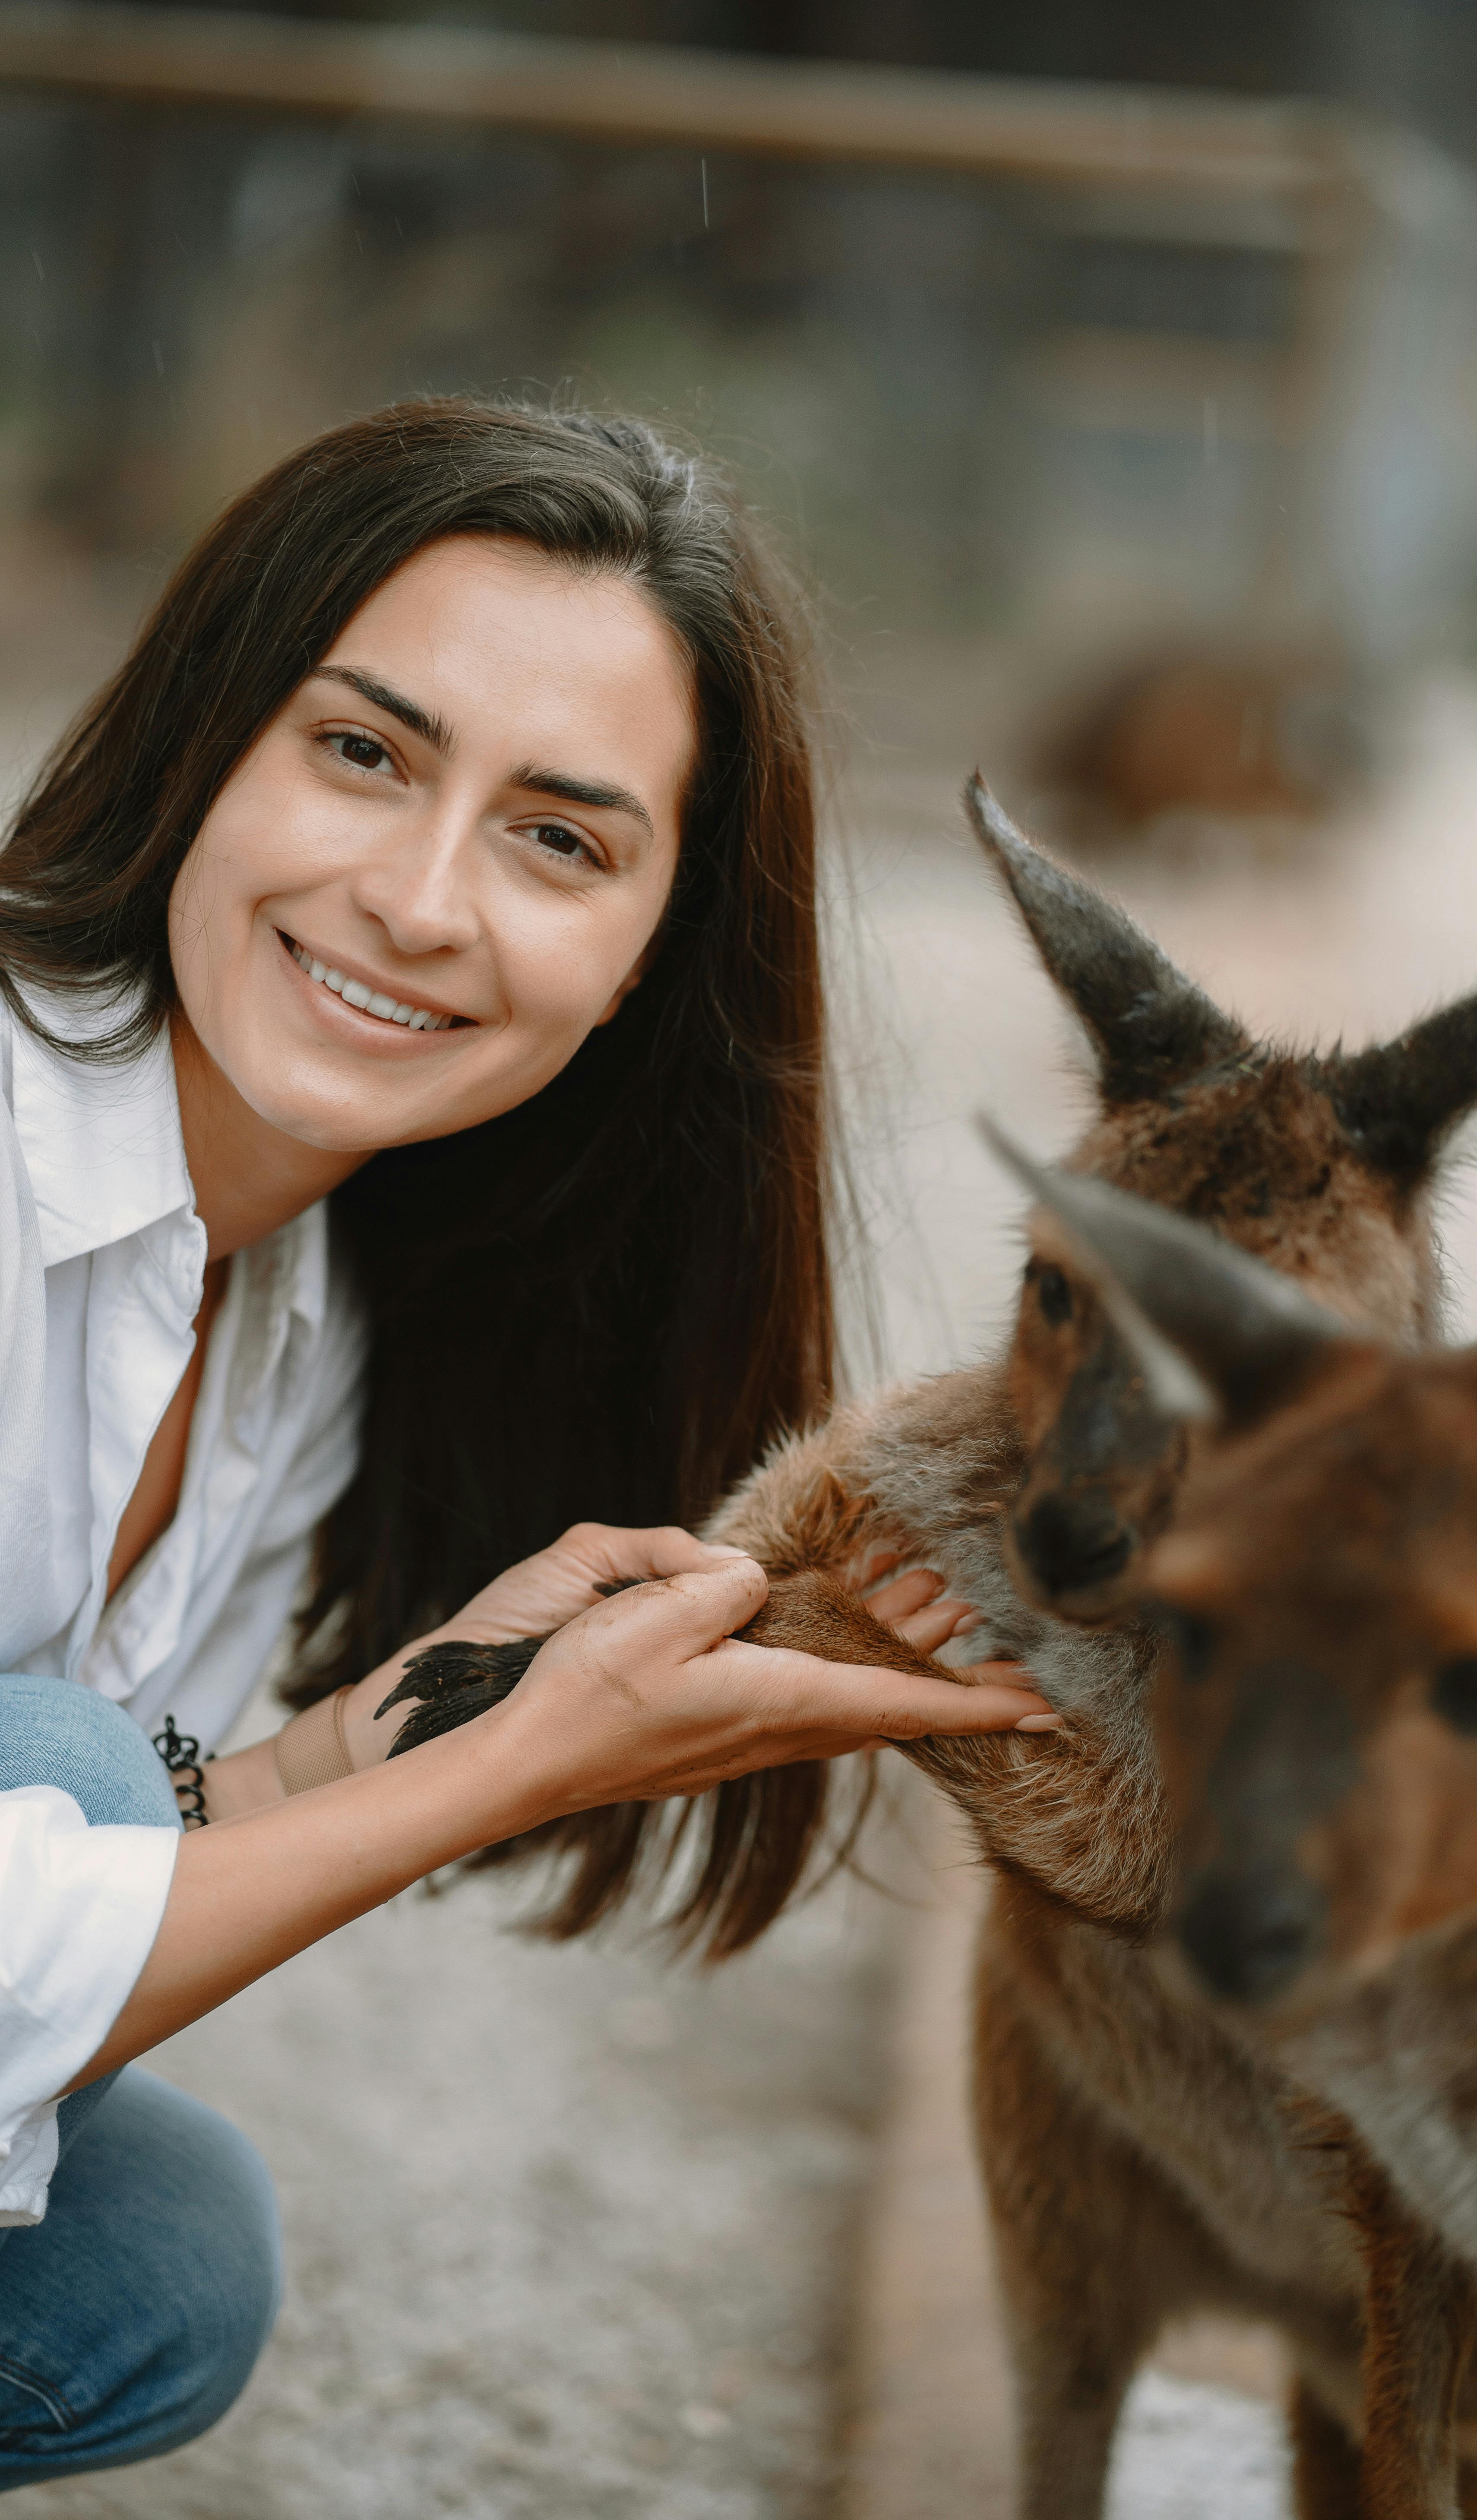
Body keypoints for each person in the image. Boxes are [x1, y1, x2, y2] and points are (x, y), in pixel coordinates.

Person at [0, 397, 1053, 2488]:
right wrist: (520, 1763)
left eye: (557, 837)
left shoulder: (299, 1287)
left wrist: (411, 1722)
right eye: (364, 752)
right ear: (207, 735)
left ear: (650, 952)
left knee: (159, 2256)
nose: (416, 899)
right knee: (80, 1783)